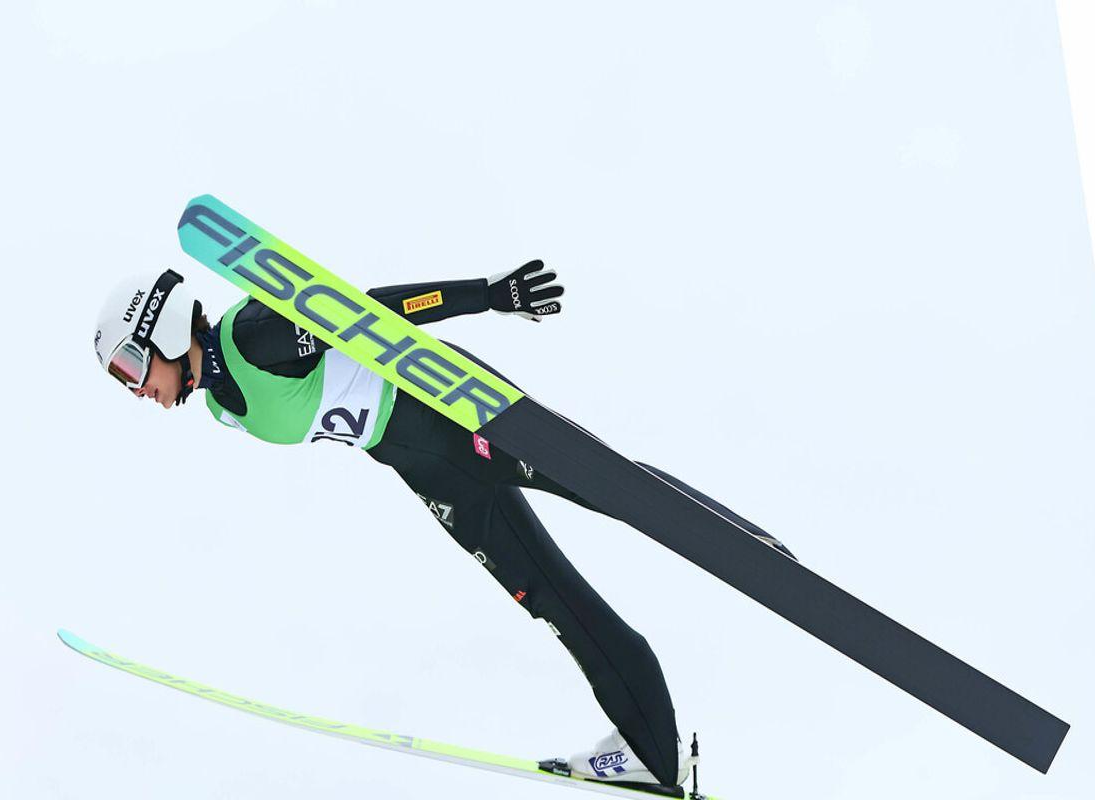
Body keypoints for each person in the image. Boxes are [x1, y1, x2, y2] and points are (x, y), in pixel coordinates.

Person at [93, 262, 794, 794]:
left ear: (164, 326)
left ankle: (752, 549)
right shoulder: (222, 404)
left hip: (452, 410)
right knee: (547, 595)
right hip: (425, 468)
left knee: (607, 485)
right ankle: (652, 750)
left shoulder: (253, 335)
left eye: (132, 364)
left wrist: (487, 295)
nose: (137, 389)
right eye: (123, 379)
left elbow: (373, 314)